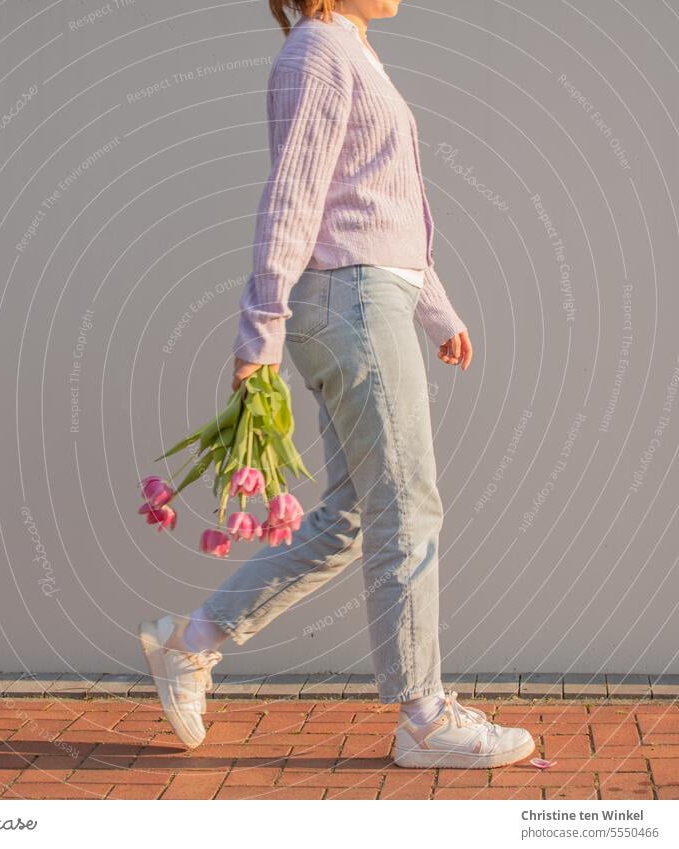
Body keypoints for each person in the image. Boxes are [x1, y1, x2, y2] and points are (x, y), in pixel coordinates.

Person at [139, 0, 536, 769]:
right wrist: (261, 325)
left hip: (368, 294)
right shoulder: (319, 49)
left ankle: (191, 643)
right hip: (350, 300)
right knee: (407, 500)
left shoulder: (349, 48)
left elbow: (373, 205)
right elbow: (295, 195)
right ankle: (424, 718)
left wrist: (435, 308)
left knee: (355, 514)